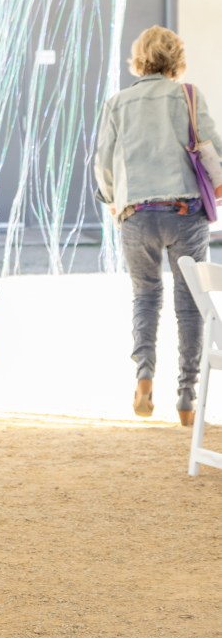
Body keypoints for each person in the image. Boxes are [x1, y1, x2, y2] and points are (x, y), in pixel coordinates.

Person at [94, 25, 222, 425]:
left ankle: (144, 376)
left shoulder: (117, 103)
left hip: (137, 215)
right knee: (189, 302)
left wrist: (113, 200)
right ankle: (187, 396)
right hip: (185, 213)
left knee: (146, 297)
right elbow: (213, 148)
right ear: (176, 59)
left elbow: (102, 164)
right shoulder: (188, 96)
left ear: (140, 59)